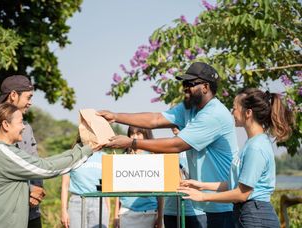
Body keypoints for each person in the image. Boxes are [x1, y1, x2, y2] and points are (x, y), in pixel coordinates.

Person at [99, 62, 238, 228]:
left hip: (224, 205)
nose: (185, 88)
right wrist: (115, 116)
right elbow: (155, 119)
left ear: (206, 87)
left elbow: (177, 145)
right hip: (207, 203)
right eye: (183, 84)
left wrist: (132, 142)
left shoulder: (214, 114)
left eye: (190, 84)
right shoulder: (189, 108)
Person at [177, 88, 293, 228]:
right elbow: (236, 184)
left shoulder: (256, 147)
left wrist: (203, 196)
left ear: (248, 113)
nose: (232, 113)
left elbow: (242, 193)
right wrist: (201, 185)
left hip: (255, 216)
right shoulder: (252, 143)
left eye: (234, 108)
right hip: (248, 213)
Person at [0, 103, 98, 228]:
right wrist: (86, 151)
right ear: (5, 125)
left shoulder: (8, 151)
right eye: (20, 122)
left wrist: (80, 149)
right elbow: (46, 168)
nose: (24, 127)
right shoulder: (4, 153)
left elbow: (45, 162)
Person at [0, 75, 45, 227]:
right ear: (13, 95)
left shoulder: (26, 127)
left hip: (31, 212)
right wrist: (30, 189)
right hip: (2, 214)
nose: (30, 102)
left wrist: (38, 188)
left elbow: (35, 161)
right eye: (28, 97)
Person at [113, 126, 163, 228]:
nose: (134, 137)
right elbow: (117, 190)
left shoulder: (153, 158)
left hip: (149, 212)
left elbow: (160, 193)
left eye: (139, 134)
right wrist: (116, 216)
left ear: (146, 136)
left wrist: (160, 217)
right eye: (132, 134)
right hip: (126, 211)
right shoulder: (122, 159)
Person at [164, 129, 206, 228]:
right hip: (171, 211)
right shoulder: (166, 147)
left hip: (196, 212)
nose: (174, 126)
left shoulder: (200, 146)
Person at [61, 150, 110, 228]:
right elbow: (65, 185)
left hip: (99, 201)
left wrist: (108, 210)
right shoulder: (72, 155)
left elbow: (106, 188)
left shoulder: (105, 156)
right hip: (77, 202)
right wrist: (64, 211)